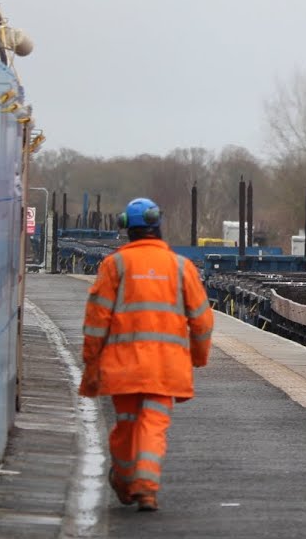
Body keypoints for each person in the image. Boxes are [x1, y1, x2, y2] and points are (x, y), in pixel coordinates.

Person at [78, 197, 214, 512]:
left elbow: (96, 321)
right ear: (157, 225)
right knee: (153, 424)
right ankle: (146, 488)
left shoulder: (114, 265)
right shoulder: (181, 267)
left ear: (127, 228)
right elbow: (202, 321)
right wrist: (198, 356)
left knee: (126, 425)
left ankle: (125, 480)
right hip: (165, 369)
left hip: (123, 368)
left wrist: (91, 361)